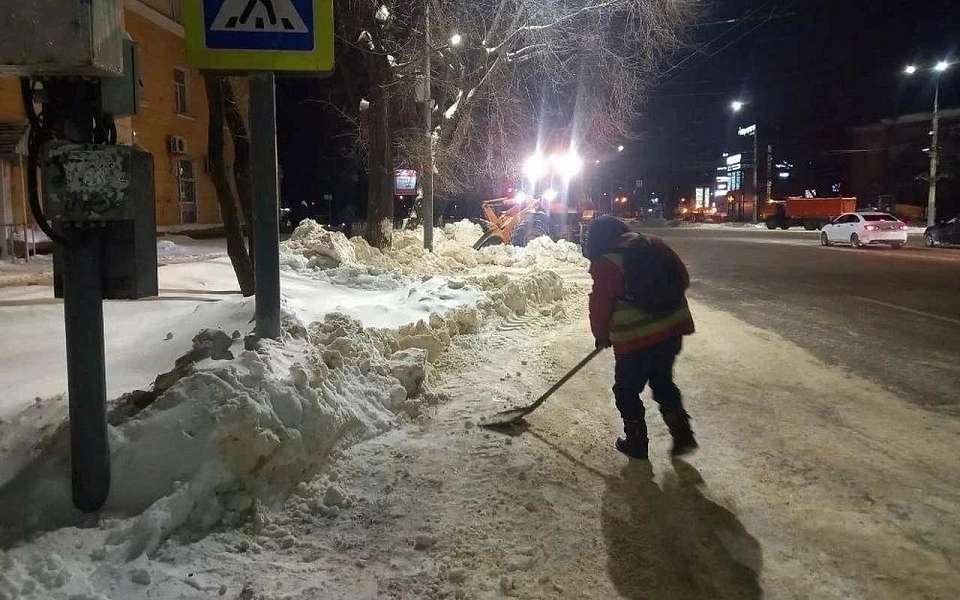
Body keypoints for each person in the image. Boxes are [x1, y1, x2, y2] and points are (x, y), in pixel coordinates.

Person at [586, 215, 698, 460]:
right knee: (663, 383)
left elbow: (600, 304)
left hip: (635, 339)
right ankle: (682, 434)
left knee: (626, 391)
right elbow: (683, 279)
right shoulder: (654, 243)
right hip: (671, 331)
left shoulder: (606, 262)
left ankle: (636, 442)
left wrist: (601, 334)